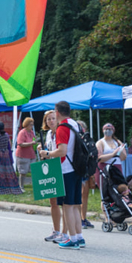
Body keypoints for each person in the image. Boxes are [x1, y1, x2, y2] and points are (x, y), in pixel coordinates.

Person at [39, 101, 85, 250]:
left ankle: (72, 239)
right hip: (77, 167)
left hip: (66, 169)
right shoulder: (74, 124)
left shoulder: (62, 128)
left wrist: (47, 153)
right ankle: (79, 236)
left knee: (67, 206)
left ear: (57, 112)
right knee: (75, 205)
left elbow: (62, 151)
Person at [41, 110, 66, 243]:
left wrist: (48, 153)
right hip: (52, 169)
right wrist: (43, 150)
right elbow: (49, 150)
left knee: (65, 203)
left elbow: (60, 152)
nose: (51, 121)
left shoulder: (61, 132)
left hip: (63, 168)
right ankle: (56, 230)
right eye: (48, 119)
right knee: (53, 202)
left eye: (53, 118)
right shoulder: (48, 134)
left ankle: (64, 232)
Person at [0, 122, 23, 195]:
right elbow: (9, 145)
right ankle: (10, 187)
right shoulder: (7, 135)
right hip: (6, 155)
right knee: (8, 171)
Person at [77, 120, 95, 229]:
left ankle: (84, 217)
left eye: (82, 126)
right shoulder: (74, 138)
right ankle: (79, 218)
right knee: (79, 195)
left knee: (85, 195)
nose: (81, 128)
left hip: (86, 169)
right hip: (77, 169)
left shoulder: (87, 139)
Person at [15, 117, 36, 190]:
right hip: (22, 155)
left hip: (31, 155)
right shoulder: (22, 132)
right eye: (30, 125)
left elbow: (33, 140)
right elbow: (20, 144)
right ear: (26, 125)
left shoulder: (32, 132)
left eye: (32, 125)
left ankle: (35, 185)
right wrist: (31, 143)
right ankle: (21, 186)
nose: (32, 126)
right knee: (23, 171)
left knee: (34, 170)